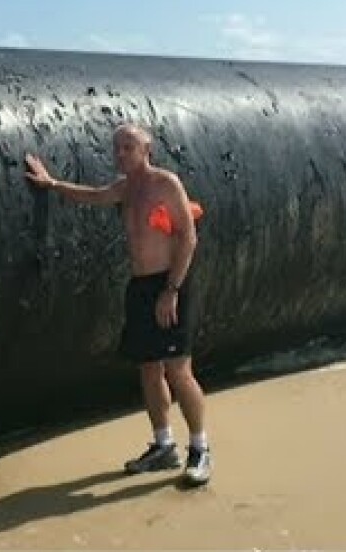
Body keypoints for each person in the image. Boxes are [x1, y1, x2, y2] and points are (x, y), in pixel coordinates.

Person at [24, 123, 212, 486]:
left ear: (146, 150)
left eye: (129, 147)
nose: (121, 153)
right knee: (148, 368)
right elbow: (93, 195)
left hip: (170, 284)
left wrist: (171, 289)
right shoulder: (125, 189)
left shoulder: (165, 183)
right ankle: (163, 447)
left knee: (178, 370)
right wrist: (53, 184)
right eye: (117, 148)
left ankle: (200, 450)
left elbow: (188, 237)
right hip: (141, 287)